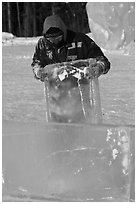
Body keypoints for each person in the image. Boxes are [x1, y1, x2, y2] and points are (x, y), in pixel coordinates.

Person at [31, 15, 110, 81]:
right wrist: (39, 72)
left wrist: (98, 68)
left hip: (82, 89)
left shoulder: (80, 40)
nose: (55, 41)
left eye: (58, 37)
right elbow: (36, 63)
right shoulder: (43, 45)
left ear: (64, 32)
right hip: (56, 93)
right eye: (51, 39)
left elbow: (102, 60)